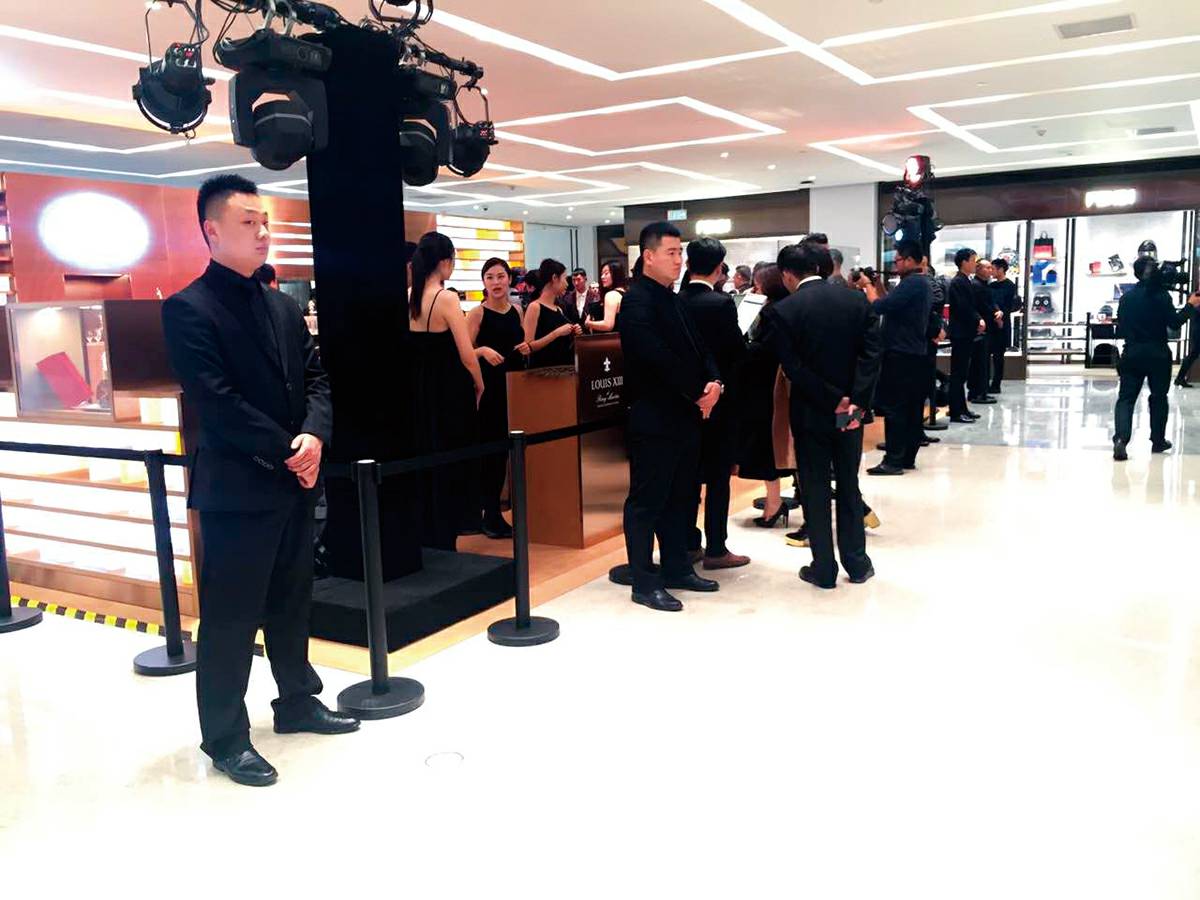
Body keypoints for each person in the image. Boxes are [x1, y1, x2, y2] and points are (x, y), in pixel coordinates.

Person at [161, 174, 356, 789]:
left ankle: (297, 701)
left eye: (264, 221)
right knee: (231, 618)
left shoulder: (282, 306)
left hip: (294, 483)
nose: (263, 232)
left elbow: (317, 377)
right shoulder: (188, 309)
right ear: (212, 230)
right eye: (248, 222)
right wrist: (288, 452)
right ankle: (225, 737)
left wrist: (314, 436)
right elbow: (216, 402)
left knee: (293, 600)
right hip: (238, 492)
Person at [761, 241, 881, 589]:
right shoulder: (856, 300)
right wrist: (855, 400)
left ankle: (823, 568)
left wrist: (832, 398)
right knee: (848, 482)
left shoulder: (783, 311)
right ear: (819, 268)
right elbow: (872, 354)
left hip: (811, 410)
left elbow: (793, 367)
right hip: (852, 413)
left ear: (787, 274)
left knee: (814, 486)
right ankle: (857, 563)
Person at [619, 222, 723, 612]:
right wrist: (698, 391)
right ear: (648, 256)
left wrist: (714, 381)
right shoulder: (637, 301)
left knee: (682, 496)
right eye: (671, 253)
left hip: (686, 414)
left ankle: (678, 567)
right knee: (648, 501)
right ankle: (644, 581)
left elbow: (700, 347)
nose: (679, 260)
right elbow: (655, 357)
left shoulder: (674, 298)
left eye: (681, 253)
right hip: (655, 416)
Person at [408, 231, 486, 550]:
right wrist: (479, 382)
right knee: (453, 464)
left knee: (424, 462)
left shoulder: (409, 295)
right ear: (443, 262)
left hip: (418, 390)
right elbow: (466, 353)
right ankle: (448, 533)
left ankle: (426, 533)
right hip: (448, 392)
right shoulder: (446, 298)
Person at [680, 238, 750, 570]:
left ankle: (688, 542)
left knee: (688, 476)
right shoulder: (721, 304)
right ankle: (717, 548)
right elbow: (736, 352)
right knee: (719, 477)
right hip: (719, 399)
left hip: (684, 400)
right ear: (719, 267)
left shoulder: (677, 301)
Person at [856, 239, 933, 476]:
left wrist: (866, 285)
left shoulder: (913, 283)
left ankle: (893, 460)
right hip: (912, 353)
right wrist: (878, 284)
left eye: (898, 260)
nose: (895, 264)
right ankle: (906, 457)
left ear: (909, 260)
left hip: (900, 354)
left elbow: (878, 307)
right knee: (910, 408)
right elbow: (890, 303)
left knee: (896, 408)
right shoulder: (918, 283)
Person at [1113, 255, 1200, 460]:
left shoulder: (1126, 298)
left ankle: (1121, 440)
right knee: (1159, 398)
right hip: (1158, 354)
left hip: (1132, 353)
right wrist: (1190, 305)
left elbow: (1121, 327)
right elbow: (1175, 323)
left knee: (1126, 398)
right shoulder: (1162, 296)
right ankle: (1158, 440)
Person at [467, 258, 528, 539]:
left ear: (509, 279)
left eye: (500, 276)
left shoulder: (517, 310)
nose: (496, 282)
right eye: (490, 277)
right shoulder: (477, 313)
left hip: (513, 388)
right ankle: (488, 513)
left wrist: (525, 347)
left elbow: (520, 343)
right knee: (490, 453)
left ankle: (495, 513)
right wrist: (482, 351)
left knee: (504, 453)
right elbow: (462, 352)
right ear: (483, 282)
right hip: (488, 390)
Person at [738, 264, 793, 529]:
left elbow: (765, 351)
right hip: (775, 386)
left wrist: (743, 346)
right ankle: (774, 501)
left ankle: (774, 502)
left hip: (769, 388)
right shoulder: (782, 307)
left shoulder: (773, 312)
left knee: (768, 445)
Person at [947, 248, 984, 424]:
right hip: (960, 333)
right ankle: (956, 411)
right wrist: (978, 319)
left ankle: (962, 408)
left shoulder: (965, 280)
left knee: (962, 373)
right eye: (972, 260)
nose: (975, 264)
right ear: (963, 262)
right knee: (958, 374)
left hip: (966, 332)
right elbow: (964, 307)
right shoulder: (958, 282)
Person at [524, 258, 581, 368]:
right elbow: (529, 346)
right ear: (554, 278)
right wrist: (556, 333)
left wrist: (573, 332)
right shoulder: (535, 307)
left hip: (563, 368)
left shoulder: (558, 308)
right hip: (543, 370)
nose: (567, 283)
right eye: (565, 278)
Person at [968, 259, 999, 405]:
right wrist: (994, 314)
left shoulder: (985, 285)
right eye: (987, 268)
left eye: (991, 268)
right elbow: (981, 306)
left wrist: (998, 311)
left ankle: (982, 391)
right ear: (978, 269)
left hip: (988, 326)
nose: (990, 271)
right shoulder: (975, 285)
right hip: (980, 328)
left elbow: (991, 302)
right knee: (979, 361)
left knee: (984, 360)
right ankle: (977, 392)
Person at [988, 258, 1020, 393]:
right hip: (991, 323)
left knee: (998, 356)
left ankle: (996, 384)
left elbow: (1009, 306)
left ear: (1001, 269)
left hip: (1002, 323)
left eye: (993, 269)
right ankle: (986, 383)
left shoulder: (1010, 285)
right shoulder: (991, 285)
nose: (991, 271)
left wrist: (1001, 315)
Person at [584, 260, 627, 333]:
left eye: (606, 273)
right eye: (602, 274)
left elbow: (608, 325)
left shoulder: (611, 295)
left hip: (613, 339)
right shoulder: (625, 292)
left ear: (616, 274)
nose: (602, 277)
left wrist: (588, 323)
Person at [1176, 306, 1200, 387]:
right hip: (1198, 332)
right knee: (1193, 355)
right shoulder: (1197, 305)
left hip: (1197, 331)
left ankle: (1180, 378)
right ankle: (1180, 378)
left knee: (1193, 355)